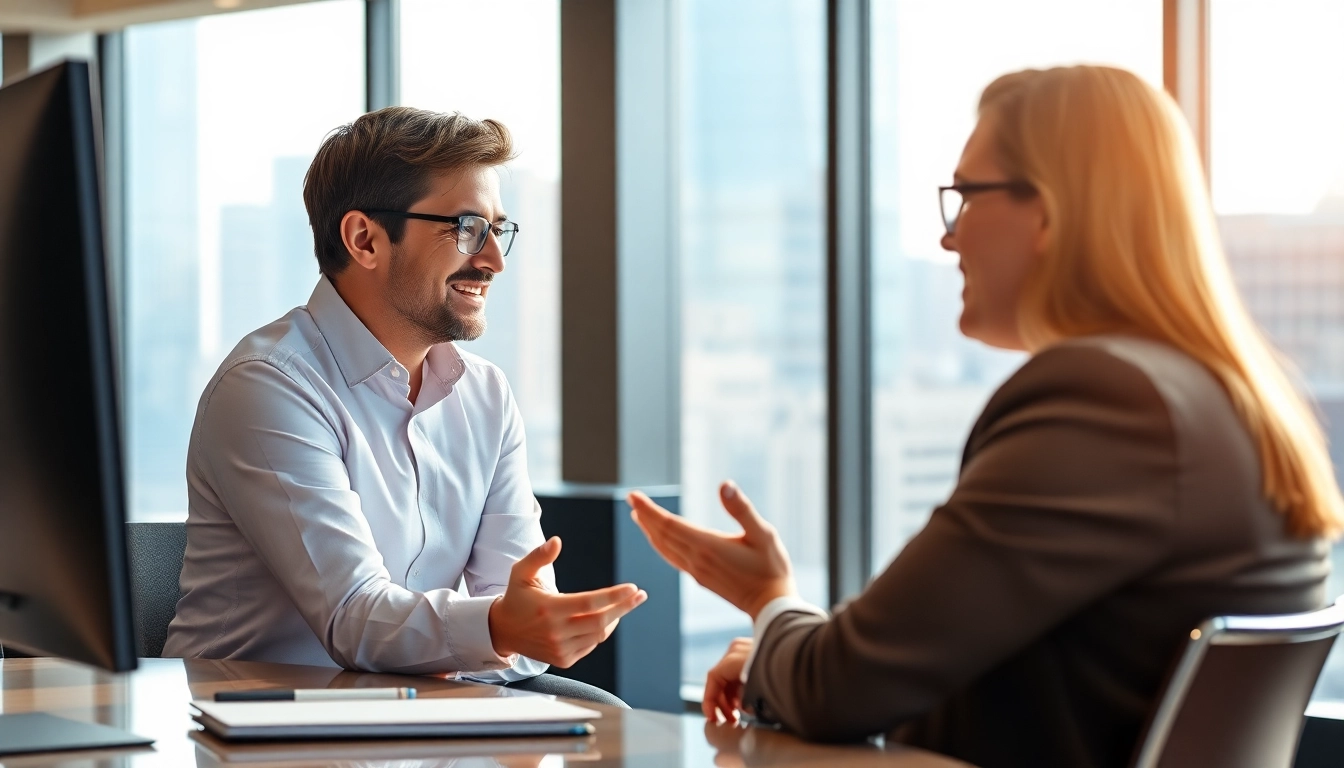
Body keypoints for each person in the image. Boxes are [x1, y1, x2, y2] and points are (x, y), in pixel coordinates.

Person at [628, 65, 1344, 767]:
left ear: (1050, 211)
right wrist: (793, 644)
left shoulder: (1103, 398)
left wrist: (767, 602)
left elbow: (837, 691)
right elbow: (1015, 687)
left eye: (966, 196)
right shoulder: (1233, 398)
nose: (949, 237)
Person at [165, 108, 646, 691]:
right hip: (261, 727)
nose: (493, 259)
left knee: (603, 725)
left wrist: (526, 625)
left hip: (415, 707)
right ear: (364, 239)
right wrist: (500, 628)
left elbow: (515, 609)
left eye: (499, 229)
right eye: (468, 227)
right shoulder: (269, 386)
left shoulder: (486, 394)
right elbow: (353, 620)